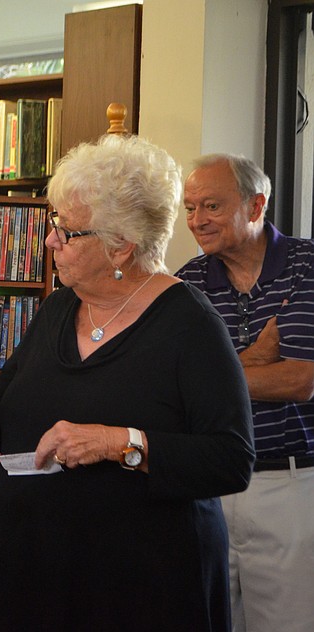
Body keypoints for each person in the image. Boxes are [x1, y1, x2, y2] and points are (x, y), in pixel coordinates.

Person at [0, 134, 255, 632]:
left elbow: (231, 460)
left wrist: (116, 442)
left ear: (120, 245)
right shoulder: (59, 309)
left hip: (141, 585)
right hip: (40, 574)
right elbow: (1, 428)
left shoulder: (189, 323)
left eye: (67, 231)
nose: (51, 240)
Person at [176, 154, 314, 632]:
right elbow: (171, 386)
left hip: (289, 487)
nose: (196, 221)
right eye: (189, 208)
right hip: (209, 487)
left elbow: (300, 380)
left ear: (256, 206)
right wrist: (254, 359)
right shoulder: (187, 282)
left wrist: (216, 373)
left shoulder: (307, 268)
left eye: (210, 206)